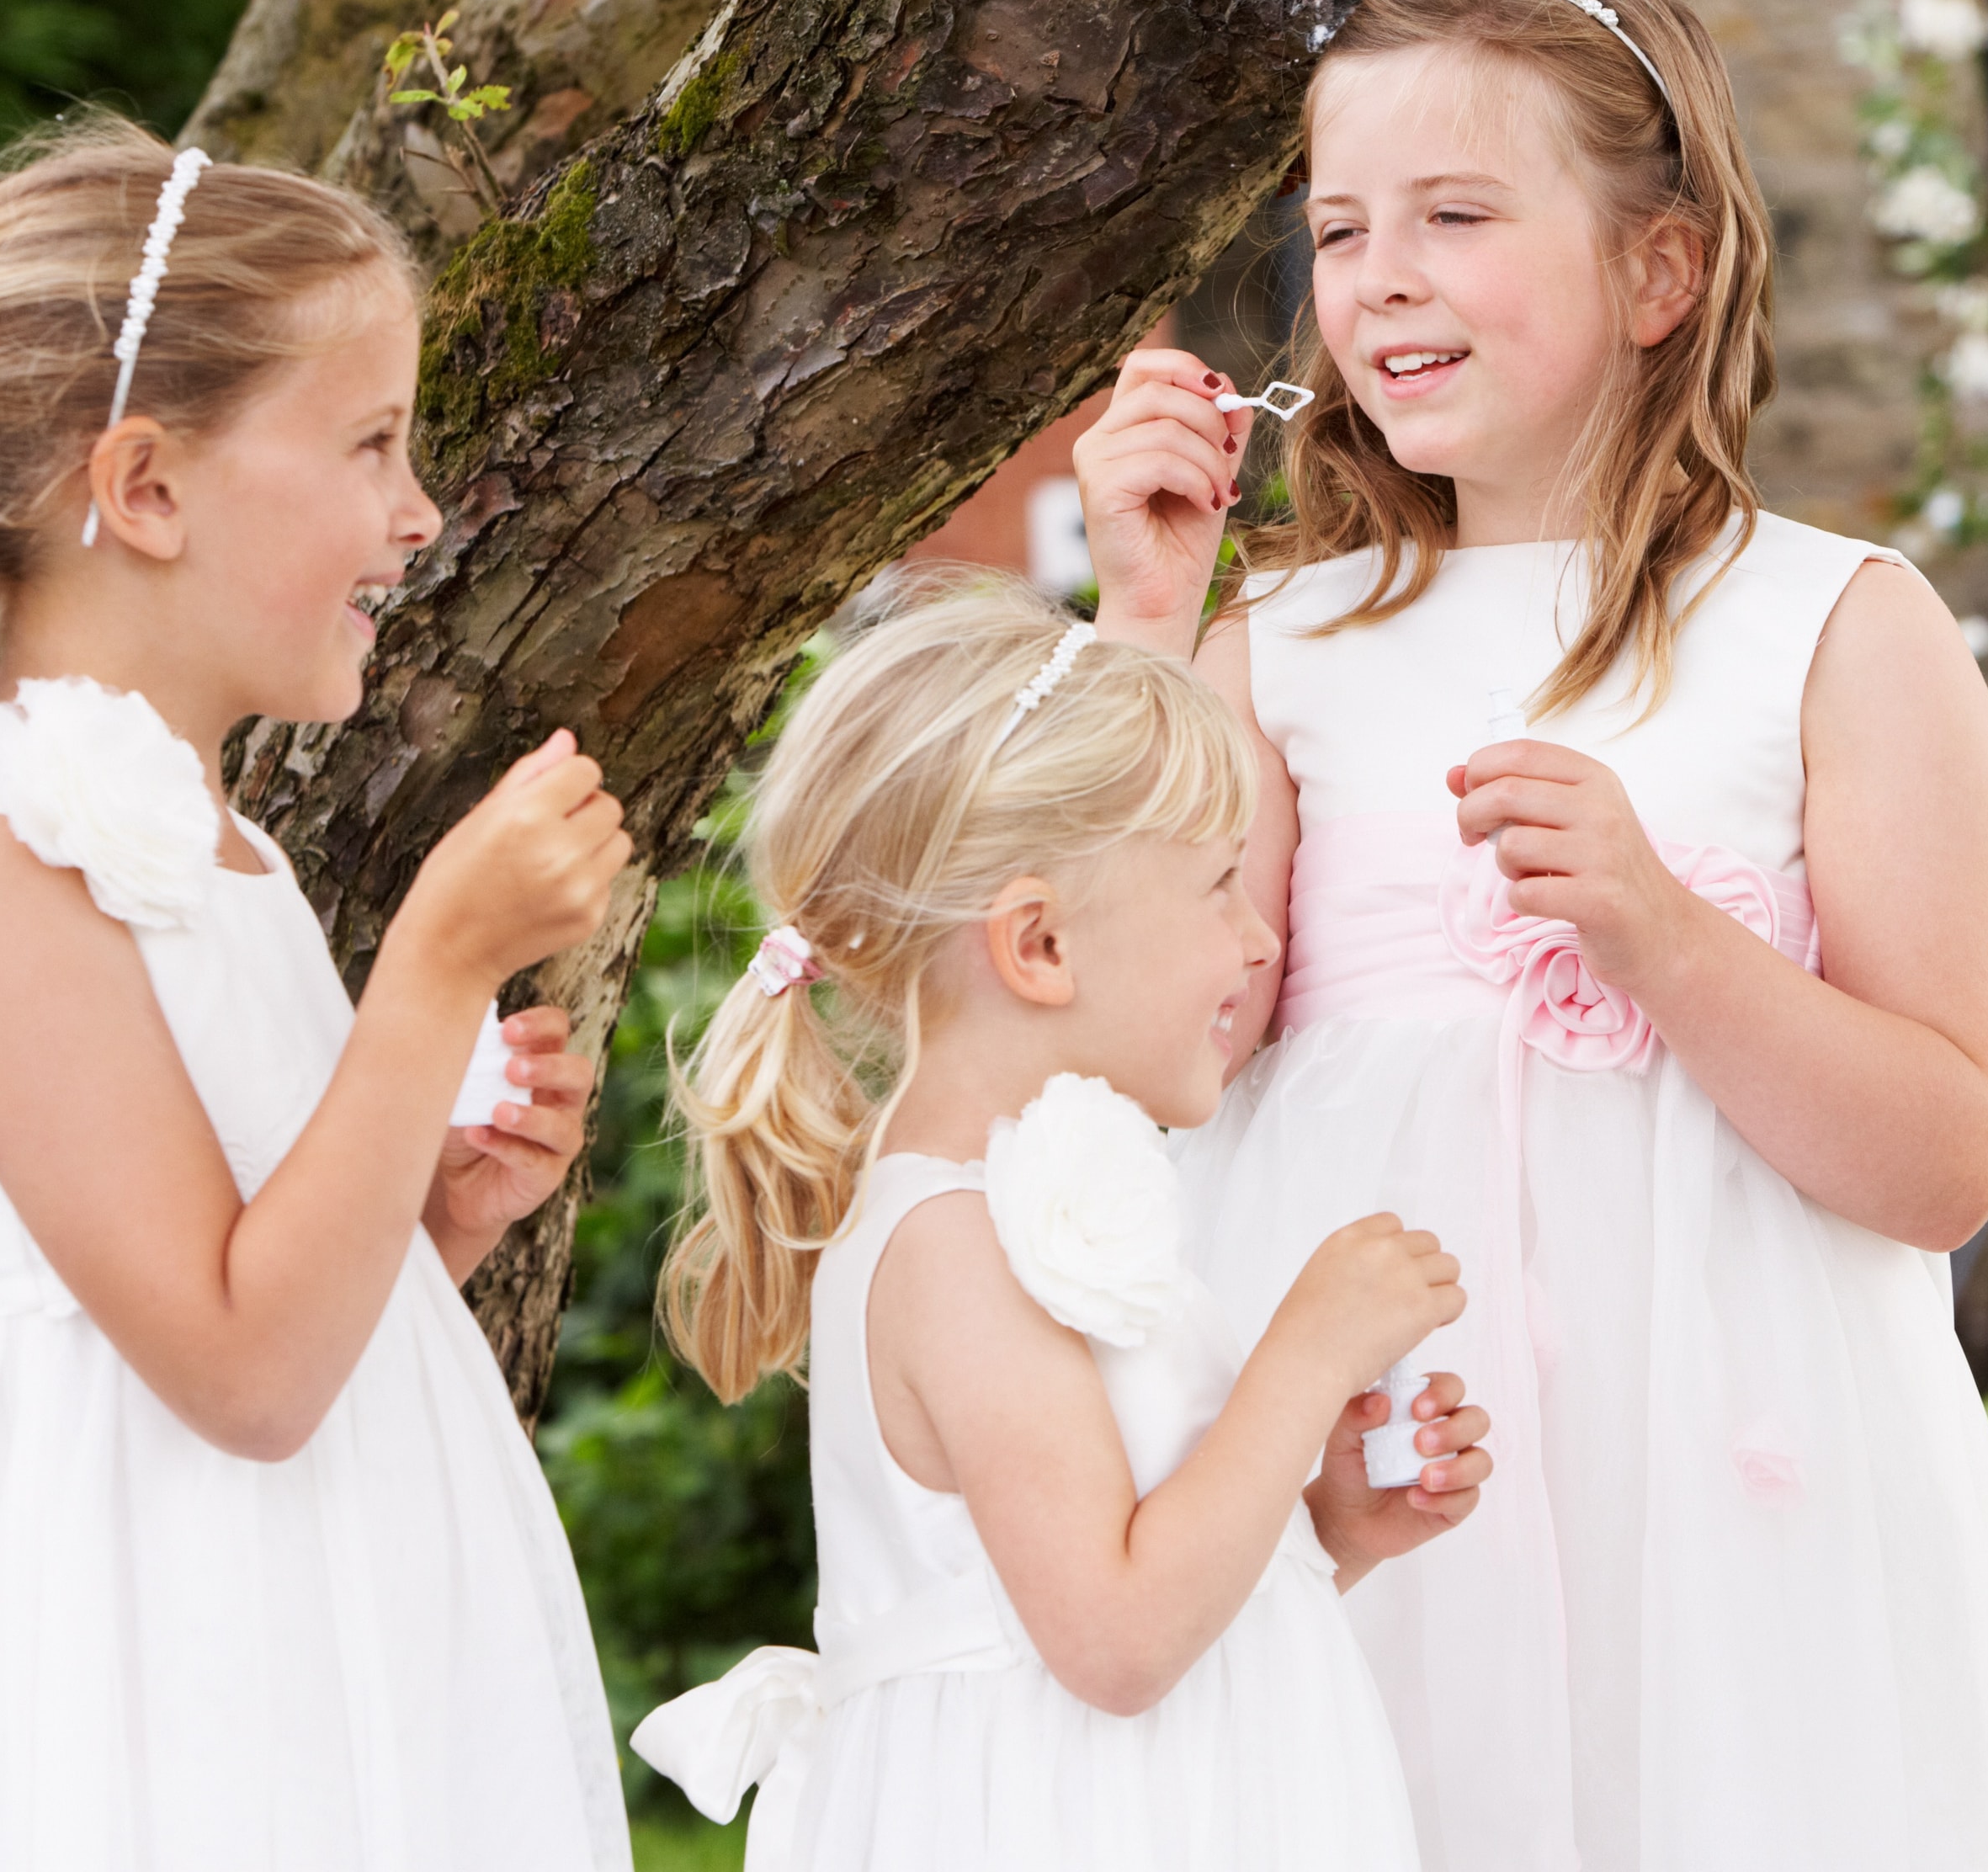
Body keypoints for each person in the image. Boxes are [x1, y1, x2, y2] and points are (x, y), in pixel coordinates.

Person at [1073, 0, 1988, 1870]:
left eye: (1456, 215)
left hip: (1729, 1470)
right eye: (1340, 229)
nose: (1380, 277)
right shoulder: (1281, 647)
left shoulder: (1835, 628)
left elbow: (1944, 1158)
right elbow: (1134, 1056)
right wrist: (1144, 621)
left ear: (1657, 273)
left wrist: (1665, 940)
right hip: (1388, 1446)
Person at [0, 120, 636, 1864]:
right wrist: (438, 968)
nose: (421, 508)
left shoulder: (202, 841)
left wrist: (417, 1216)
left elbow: (232, 1311)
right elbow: (240, 1371)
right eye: (373, 441)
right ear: (147, 486)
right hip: (121, 1688)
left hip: (280, 1624)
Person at [630, 586, 1497, 1870]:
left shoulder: (1029, 1209)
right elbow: (1117, 1638)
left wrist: (1320, 1533)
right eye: (1218, 887)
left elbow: (1140, 1575)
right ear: (1038, 943)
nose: (1260, 939)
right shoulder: (955, 1246)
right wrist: (1305, 1360)